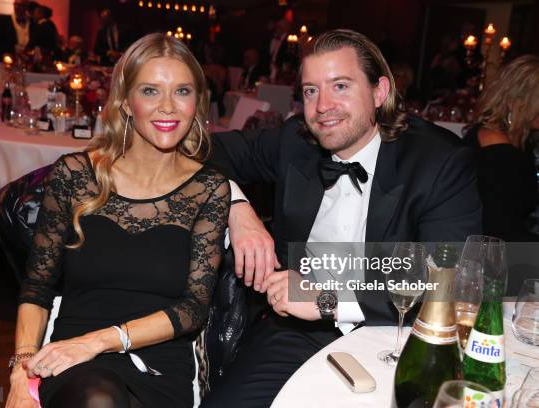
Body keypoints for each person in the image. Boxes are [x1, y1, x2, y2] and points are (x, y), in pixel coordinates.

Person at [202, 29, 481, 407]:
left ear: (379, 92)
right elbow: (204, 150)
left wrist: (327, 299)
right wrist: (238, 209)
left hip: (400, 336)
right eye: (311, 91)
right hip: (298, 331)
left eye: (341, 86)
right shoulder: (294, 142)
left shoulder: (437, 162)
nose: (322, 106)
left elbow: (447, 283)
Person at [5, 33, 231, 408]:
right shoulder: (75, 175)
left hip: (156, 362)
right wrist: (21, 369)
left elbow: (193, 308)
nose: (168, 108)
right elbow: (36, 287)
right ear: (126, 102)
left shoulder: (208, 189)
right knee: (97, 399)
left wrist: (97, 342)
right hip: (71, 359)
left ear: (198, 103)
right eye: (150, 91)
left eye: (182, 91)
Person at [463, 55, 539, 242]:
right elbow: (499, 229)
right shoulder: (496, 150)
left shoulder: (520, 138)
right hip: (490, 252)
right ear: (517, 101)